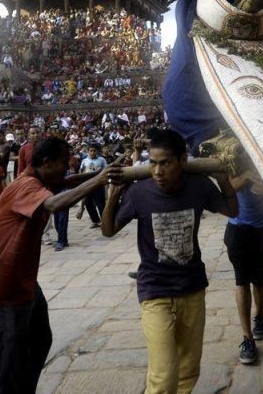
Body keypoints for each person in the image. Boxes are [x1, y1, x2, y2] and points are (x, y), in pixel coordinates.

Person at [0, 137, 120, 394]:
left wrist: (104, 173)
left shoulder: (41, 180)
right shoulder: (27, 186)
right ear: (46, 162)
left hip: (25, 284)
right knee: (13, 371)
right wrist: (99, 180)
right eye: (64, 161)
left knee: (40, 341)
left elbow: (67, 182)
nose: (68, 166)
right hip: (4, 290)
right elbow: (54, 203)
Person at [102, 129, 238, 394]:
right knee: (163, 373)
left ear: (182, 161)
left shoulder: (199, 187)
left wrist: (224, 180)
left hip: (192, 287)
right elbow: (108, 230)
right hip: (154, 289)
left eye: (165, 163)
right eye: (153, 163)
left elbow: (232, 210)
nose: (157, 171)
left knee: (189, 368)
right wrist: (114, 196)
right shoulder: (140, 193)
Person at [223, 168, 263, 366]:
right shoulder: (227, 154)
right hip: (237, 228)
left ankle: (259, 316)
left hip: (262, 227)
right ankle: (247, 338)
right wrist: (245, 176)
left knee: (261, 279)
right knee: (242, 281)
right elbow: (226, 187)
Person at [77, 143, 107, 228]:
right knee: (88, 203)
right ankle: (95, 220)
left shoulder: (101, 160)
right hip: (88, 184)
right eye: (91, 151)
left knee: (100, 204)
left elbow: (106, 170)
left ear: (97, 151)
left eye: (94, 151)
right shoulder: (84, 161)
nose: (92, 152)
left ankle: (105, 221)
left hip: (98, 184)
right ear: (87, 151)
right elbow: (81, 172)